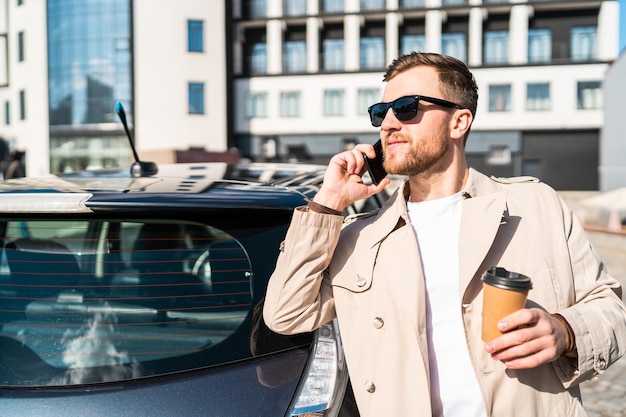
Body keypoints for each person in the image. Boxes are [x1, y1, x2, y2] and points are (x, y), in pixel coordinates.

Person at [263, 52, 626, 416]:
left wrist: (564, 331)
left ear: (459, 122)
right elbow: (285, 314)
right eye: (380, 111)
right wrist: (327, 203)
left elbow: (611, 308)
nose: (388, 123)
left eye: (406, 108)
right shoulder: (359, 238)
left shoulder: (534, 205)